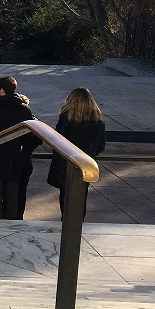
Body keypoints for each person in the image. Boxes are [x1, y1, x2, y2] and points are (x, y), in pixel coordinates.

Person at [0, 76, 38, 219]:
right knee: (13, 193)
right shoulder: (25, 110)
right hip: (17, 158)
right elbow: (30, 136)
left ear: (2, 90)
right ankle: (11, 222)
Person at [47, 88, 106, 220]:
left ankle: (67, 230)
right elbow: (101, 146)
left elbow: (57, 140)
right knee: (81, 201)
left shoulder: (66, 119)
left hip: (65, 165)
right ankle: (78, 227)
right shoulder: (98, 124)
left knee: (65, 200)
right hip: (86, 166)